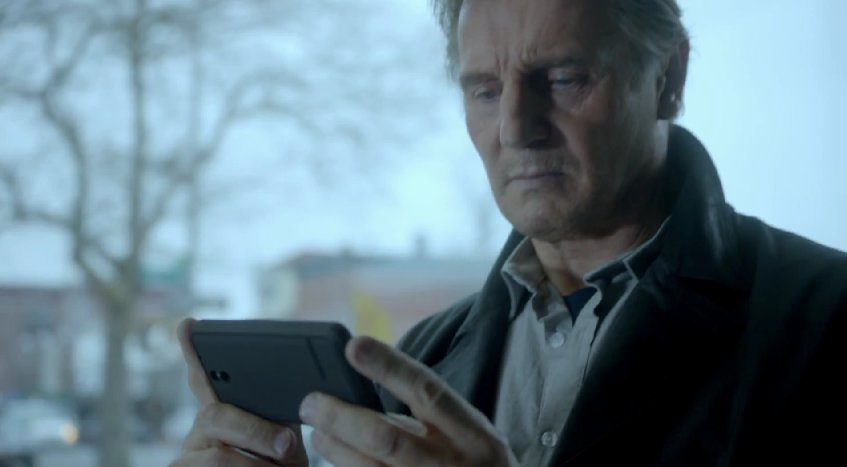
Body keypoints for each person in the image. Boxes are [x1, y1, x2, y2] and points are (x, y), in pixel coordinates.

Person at [169, 0, 847, 465]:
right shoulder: (422, 359)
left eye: (563, 79)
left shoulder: (826, 317)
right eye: (485, 91)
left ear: (668, 78)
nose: (516, 128)